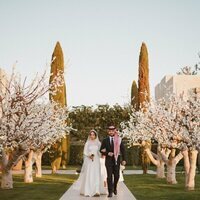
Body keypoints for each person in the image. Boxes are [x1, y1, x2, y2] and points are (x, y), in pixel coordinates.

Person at [73, 130, 106, 197]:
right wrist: (89, 155)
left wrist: (103, 153)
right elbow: (85, 152)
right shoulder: (87, 143)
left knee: (96, 175)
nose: (92, 136)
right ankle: (88, 190)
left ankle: (97, 191)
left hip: (96, 161)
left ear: (95, 135)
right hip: (89, 161)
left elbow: (100, 152)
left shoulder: (98, 143)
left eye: (93, 134)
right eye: (91, 134)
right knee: (89, 174)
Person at [100, 125, 126, 198]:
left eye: (112, 130)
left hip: (116, 160)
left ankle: (114, 188)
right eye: (110, 130)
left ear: (115, 131)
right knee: (109, 176)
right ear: (108, 131)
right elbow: (101, 150)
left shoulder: (119, 139)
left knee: (117, 176)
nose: (111, 132)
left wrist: (124, 159)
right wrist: (107, 153)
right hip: (108, 161)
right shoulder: (105, 140)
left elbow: (123, 150)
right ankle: (110, 192)